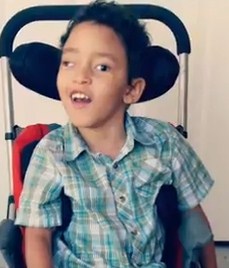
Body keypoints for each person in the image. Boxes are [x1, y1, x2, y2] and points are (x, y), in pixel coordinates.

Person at [15, 1, 217, 267]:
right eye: (69, 62)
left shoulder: (164, 143)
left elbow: (196, 221)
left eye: (102, 67)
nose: (81, 76)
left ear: (131, 90)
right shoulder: (51, 152)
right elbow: (38, 234)